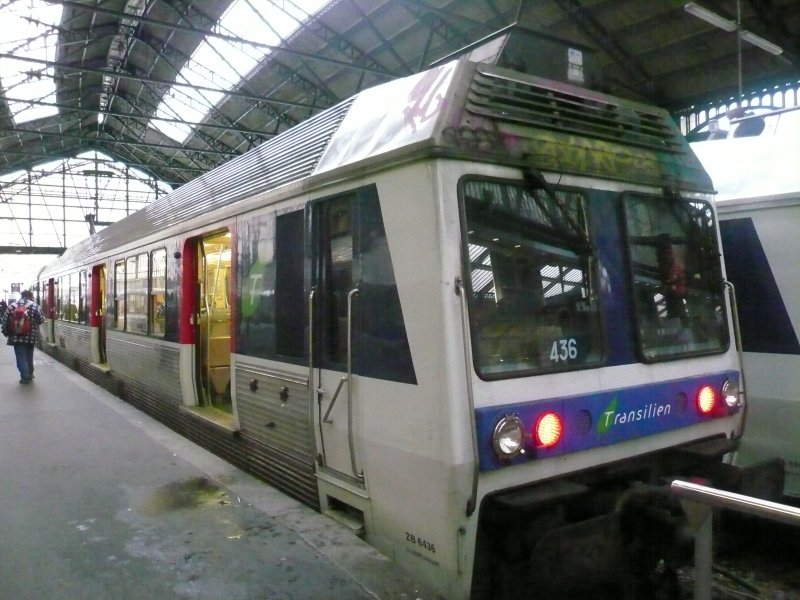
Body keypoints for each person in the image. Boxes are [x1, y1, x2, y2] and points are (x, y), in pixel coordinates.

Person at [1, 290, 45, 384]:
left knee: (21, 357)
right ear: (31, 296)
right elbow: (41, 320)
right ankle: (29, 373)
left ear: (21, 296)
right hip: (31, 337)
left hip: (16, 337)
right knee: (29, 356)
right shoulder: (35, 306)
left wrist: (5, 332)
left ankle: (25, 377)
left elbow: (5, 321)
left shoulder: (12, 306)